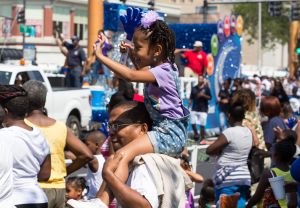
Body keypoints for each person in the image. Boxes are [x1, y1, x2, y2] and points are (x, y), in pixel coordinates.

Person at [93, 10, 190, 205]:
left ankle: (101, 203)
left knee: (122, 155)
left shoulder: (164, 71)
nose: (134, 52)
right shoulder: (158, 69)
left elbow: (130, 75)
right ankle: (101, 201)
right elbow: (135, 70)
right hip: (164, 131)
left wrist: (100, 56)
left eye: (138, 48)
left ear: (156, 51)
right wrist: (128, 53)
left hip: (169, 133)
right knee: (119, 156)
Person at [67, 101, 191, 208]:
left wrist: (108, 175)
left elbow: (144, 206)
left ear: (142, 129)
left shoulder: (144, 163)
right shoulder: (131, 162)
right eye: (110, 126)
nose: (111, 132)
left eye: (117, 126)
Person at [22, 80, 93, 208]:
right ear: (44, 101)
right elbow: (86, 154)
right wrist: (64, 171)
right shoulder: (60, 127)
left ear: (24, 101)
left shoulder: (22, 126)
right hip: (59, 189)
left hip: (36, 190)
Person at [0, 85, 51, 208]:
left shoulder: (3, 136)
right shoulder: (40, 135)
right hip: (39, 199)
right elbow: (45, 174)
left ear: (6, 111)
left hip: (13, 200)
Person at [206, 102, 252, 207]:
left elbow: (209, 150)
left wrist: (219, 150)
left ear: (229, 116)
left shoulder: (229, 132)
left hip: (228, 179)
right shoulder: (248, 132)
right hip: (243, 177)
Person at [246, 137, 298, 208]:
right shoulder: (293, 172)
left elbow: (257, 196)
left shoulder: (269, 174)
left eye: (271, 151)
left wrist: (248, 205)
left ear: (276, 155)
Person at [188, 75, 211, 143]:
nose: (200, 80)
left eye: (201, 79)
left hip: (203, 109)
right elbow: (191, 98)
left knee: (202, 125)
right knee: (193, 123)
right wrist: (188, 106)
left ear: (203, 80)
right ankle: (196, 134)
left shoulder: (206, 88)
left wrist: (203, 95)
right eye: (199, 78)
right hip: (194, 108)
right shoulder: (194, 88)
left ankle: (202, 139)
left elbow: (210, 97)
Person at [85, 131, 106, 199]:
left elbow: (80, 155)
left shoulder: (94, 160)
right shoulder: (105, 158)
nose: (85, 147)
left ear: (97, 145)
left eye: (87, 144)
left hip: (93, 198)